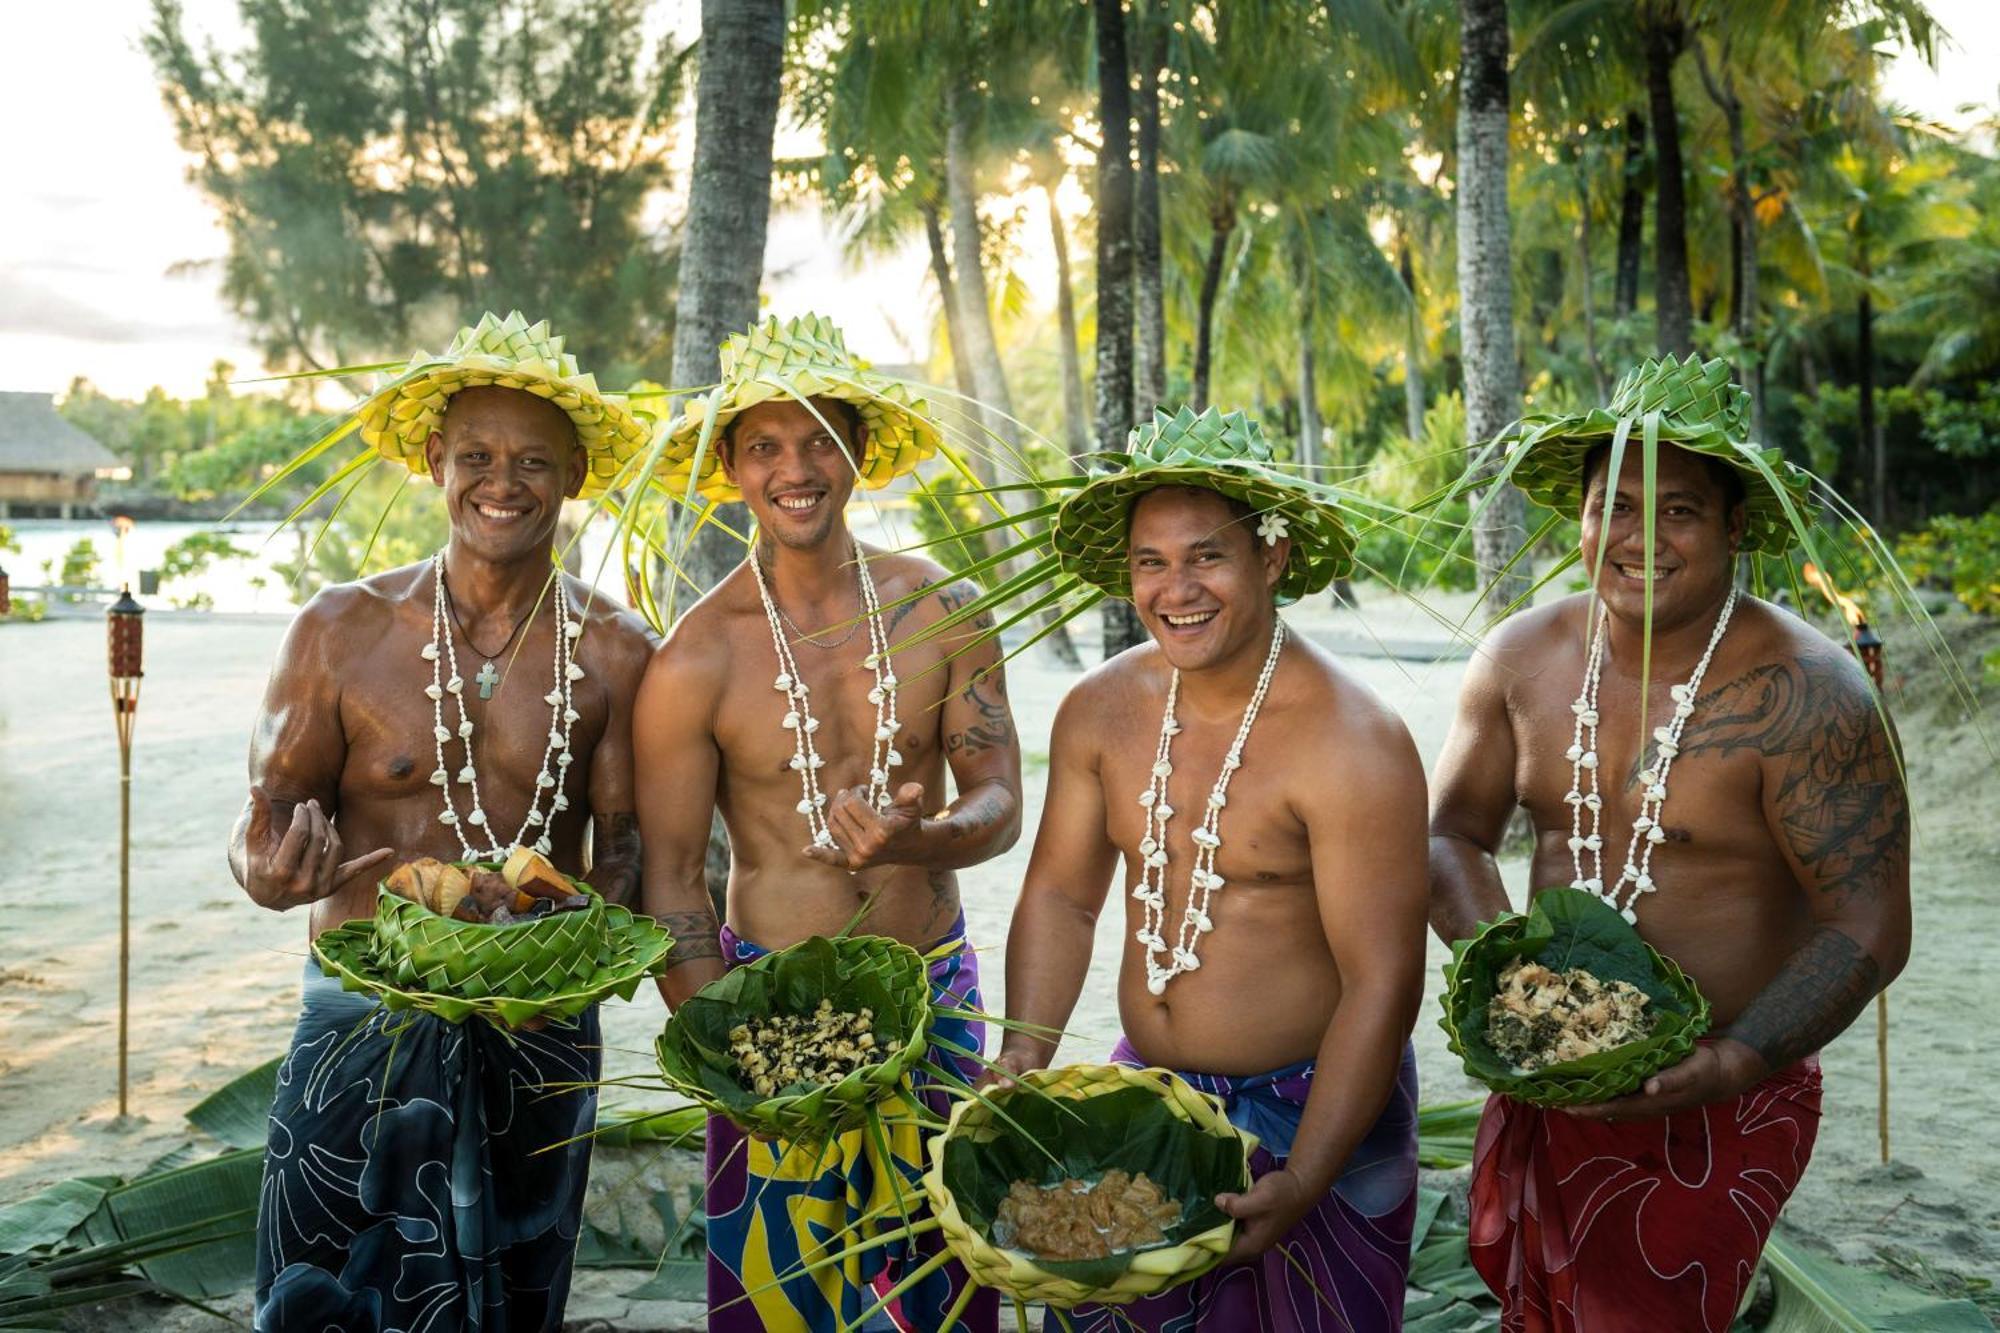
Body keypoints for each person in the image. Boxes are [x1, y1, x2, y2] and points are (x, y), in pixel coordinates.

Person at [1429, 355, 1911, 1333]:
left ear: (1734, 525)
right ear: (1580, 515)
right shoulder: (1518, 659)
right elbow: (1448, 834)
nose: (1638, 538)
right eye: (1613, 506)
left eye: (1678, 511)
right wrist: (1513, 990)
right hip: (1544, 1077)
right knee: (1536, 1308)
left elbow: (1866, 923)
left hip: (1724, 1096)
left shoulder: (1808, 692)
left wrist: (1733, 1060)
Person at [233, 312, 657, 1332]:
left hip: (538, 1025)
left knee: (513, 1295)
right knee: (315, 1288)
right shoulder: (339, 629)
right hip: (356, 1016)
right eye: (475, 456)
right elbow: (261, 825)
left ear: (574, 474)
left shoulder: (614, 649)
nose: (500, 482)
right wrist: (271, 873)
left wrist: (575, 938)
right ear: (434, 461)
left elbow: (628, 844)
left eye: (531, 461)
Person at [988, 406, 1430, 1332]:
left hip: (1321, 1109)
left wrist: (1306, 1172)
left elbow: (1382, 981)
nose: (1174, 588)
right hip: (1150, 1101)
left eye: (1207, 556)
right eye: (1150, 561)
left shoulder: (1353, 741)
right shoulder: (1099, 709)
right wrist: (1024, 1050)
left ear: (1271, 557)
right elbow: (1064, 897)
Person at [634, 314, 1021, 1332]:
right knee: (783, 1298)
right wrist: (723, 1048)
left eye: (818, 441)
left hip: (930, 988)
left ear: (855, 455)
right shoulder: (695, 656)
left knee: (942, 1280)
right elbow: (669, 875)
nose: (793, 468)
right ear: (729, 467)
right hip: (765, 1017)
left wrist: (918, 840)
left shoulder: (942, 607)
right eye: (763, 445)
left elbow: (998, 802)